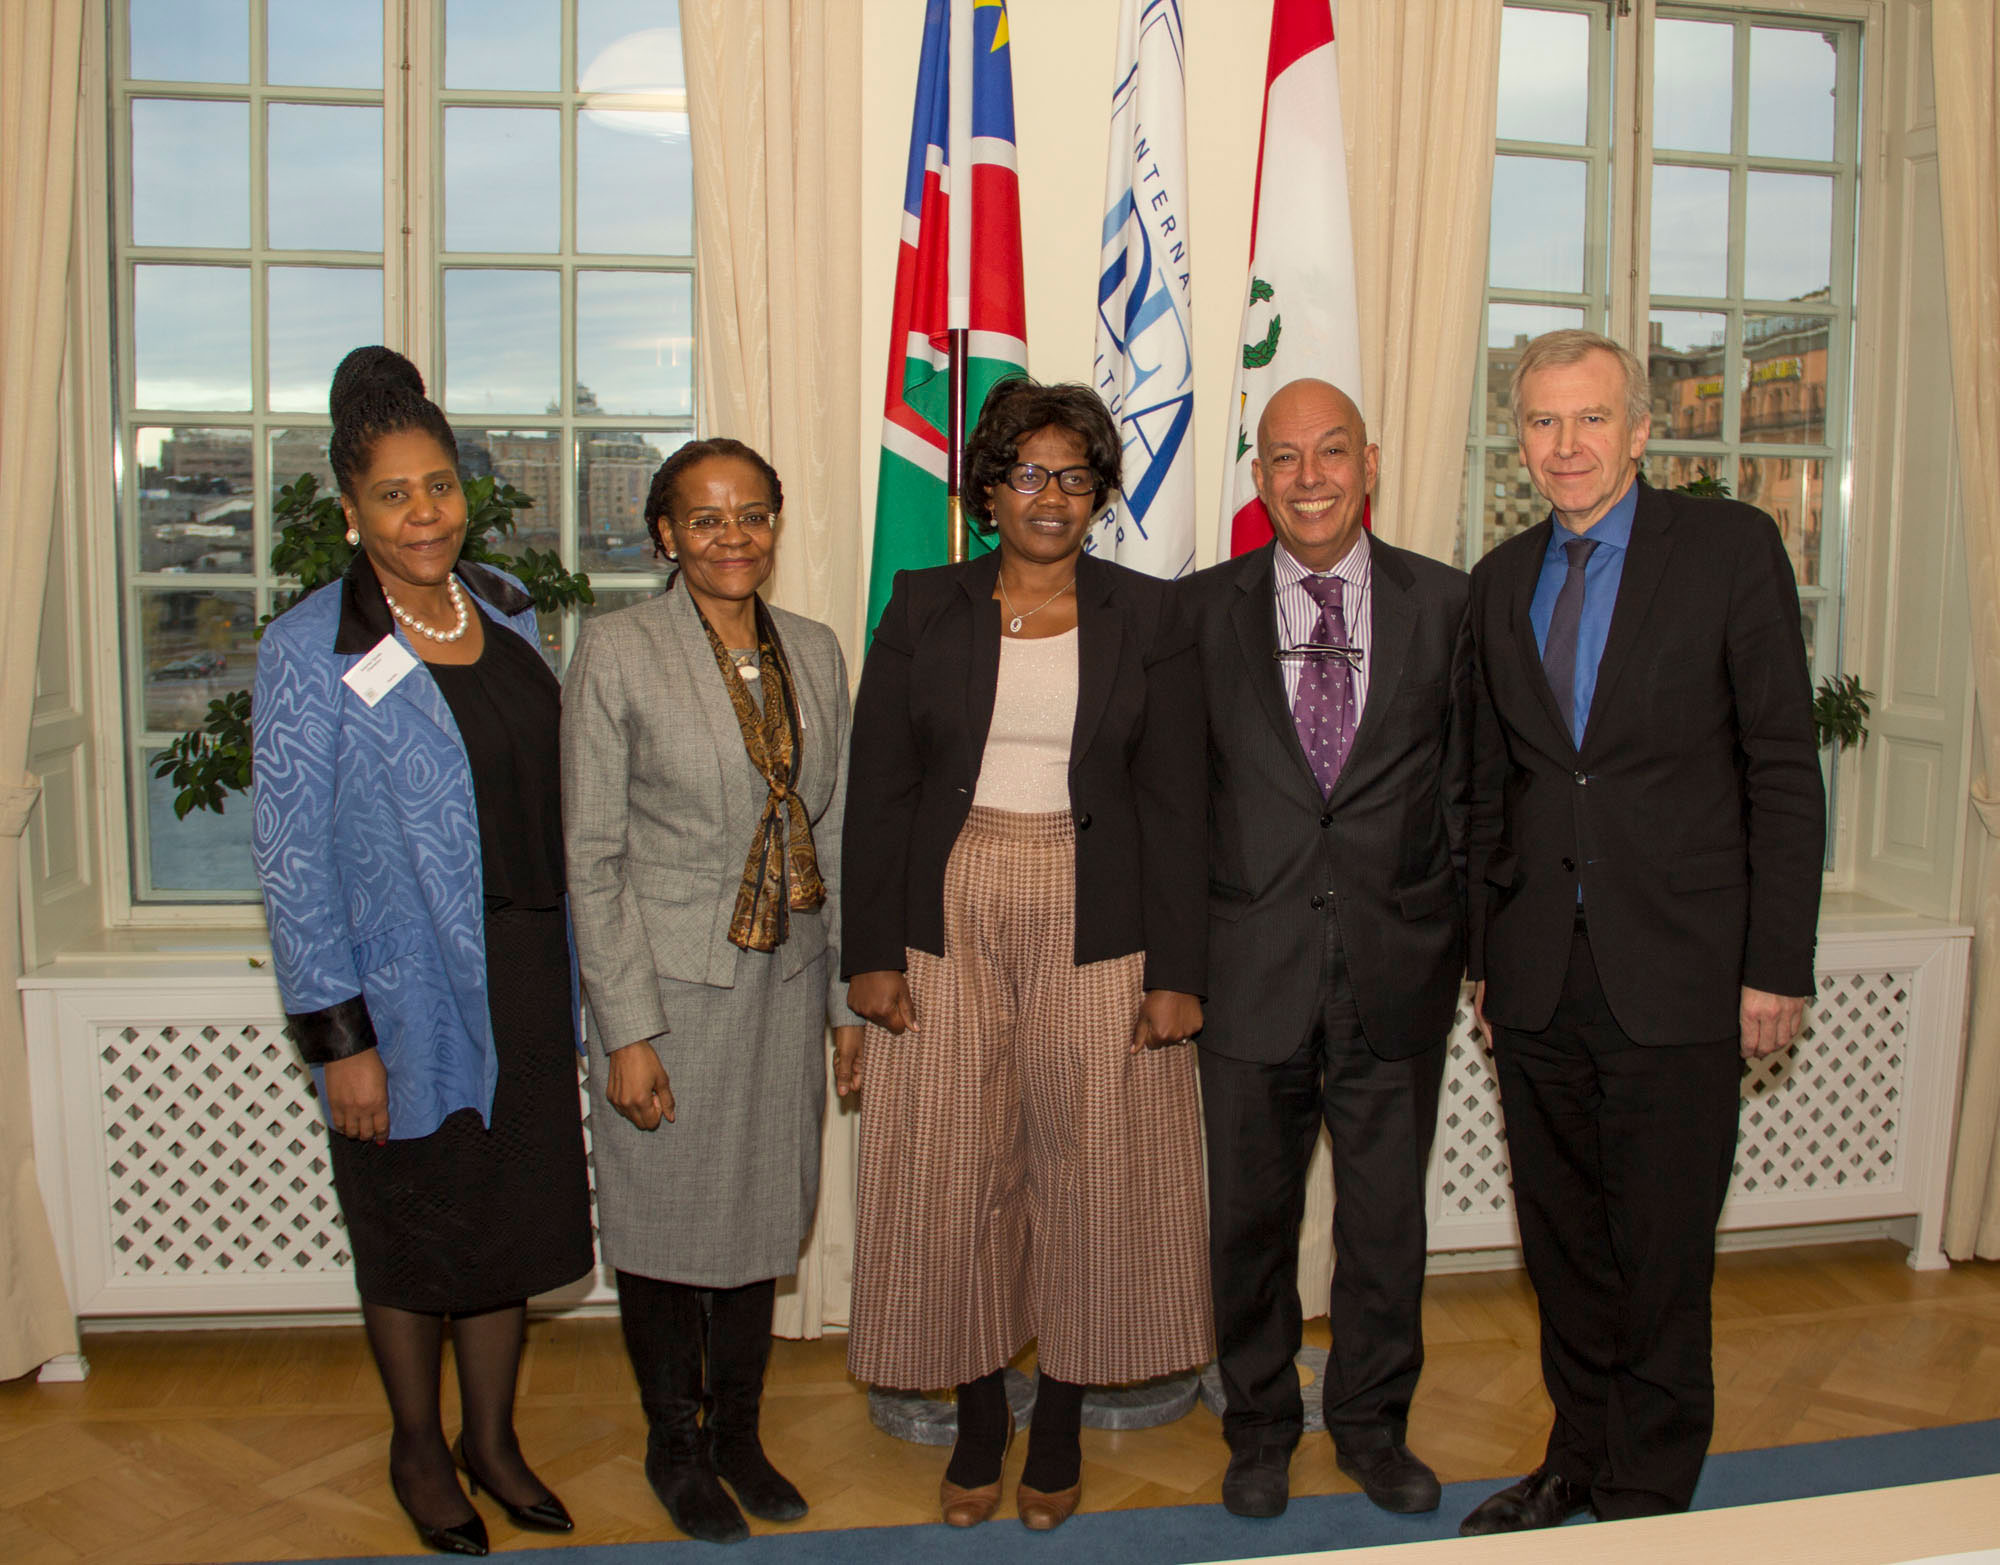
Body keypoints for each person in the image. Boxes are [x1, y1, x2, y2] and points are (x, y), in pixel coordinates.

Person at [1461, 329, 1825, 1533]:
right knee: (1562, 1252)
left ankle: (1646, 1495)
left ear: (1637, 428)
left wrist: (1774, 963)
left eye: (1587, 419)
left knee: (1659, 1257)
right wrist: (1481, 951)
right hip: (1534, 981)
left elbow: (1780, 766)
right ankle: (1574, 1458)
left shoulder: (1726, 551)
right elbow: (1486, 786)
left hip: (1680, 974)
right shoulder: (1499, 578)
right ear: (1519, 438)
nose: (1563, 446)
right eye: (1540, 422)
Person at [841, 377, 1212, 1532]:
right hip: (946, 901)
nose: (1048, 497)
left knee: (1092, 1163)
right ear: (987, 490)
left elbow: (1176, 802)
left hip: (1097, 905)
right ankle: (978, 1417)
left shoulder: (1151, 615)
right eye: (1024, 473)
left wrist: (1174, 971)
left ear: (1099, 492)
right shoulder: (922, 603)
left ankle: (1056, 1418)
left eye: (1073, 475)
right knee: (952, 1161)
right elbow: (881, 791)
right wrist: (871, 958)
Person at [253, 346, 593, 1558]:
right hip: (399, 995)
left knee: (504, 1218)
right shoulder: (313, 649)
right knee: (413, 1220)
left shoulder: (504, 605)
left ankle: (491, 1439)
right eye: (393, 494)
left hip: (526, 974)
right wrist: (338, 1035)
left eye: (438, 486)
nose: (422, 513)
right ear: (350, 512)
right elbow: (292, 861)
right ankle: (416, 1441)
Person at [1179, 378, 1472, 1521]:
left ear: (1371, 463)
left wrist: (1473, 954)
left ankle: (1367, 1424)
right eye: (1284, 457)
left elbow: (1467, 791)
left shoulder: (1446, 605)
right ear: (1258, 479)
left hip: (1397, 973)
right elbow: (1176, 804)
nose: (1308, 476)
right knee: (1246, 1224)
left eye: (1331, 452)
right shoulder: (1197, 614)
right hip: (1245, 972)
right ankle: (1257, 1428)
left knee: (1385, 1224)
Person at [561, 438, 862, 1546]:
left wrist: (841, 1008)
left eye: (752, 514)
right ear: (664, 537)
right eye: (705, 517)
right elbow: (591, 855)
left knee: (758, 1219)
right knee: (664, 1224)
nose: (732, 535)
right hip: (670, 991)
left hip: (785, 983)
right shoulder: (620, 651)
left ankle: (738, 1432)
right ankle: (674, 1444)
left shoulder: (818, 652)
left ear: (774, 525)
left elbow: (830, 827)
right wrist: (625, 1029)